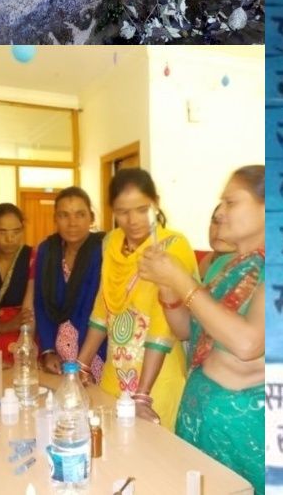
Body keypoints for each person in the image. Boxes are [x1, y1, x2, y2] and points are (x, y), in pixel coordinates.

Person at [139, 166, 265, 495]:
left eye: (230, 202)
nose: (220, 213)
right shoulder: (227, 265)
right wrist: (168, 287)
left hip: (245, 436)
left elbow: (248, 342)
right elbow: (188, 332)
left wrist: (182, 280)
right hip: (198, 421)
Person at [77, 169, 195, 427]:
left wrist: (142, 395)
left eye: (142, 209)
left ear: (157, 204)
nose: (133, 220)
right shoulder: (110, 242)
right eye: (122, 212)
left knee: (154, 457)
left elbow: (163, 325)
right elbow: (103, 304)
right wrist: (80, 365)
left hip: (156, 379)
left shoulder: (173, 245)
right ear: (112, 211)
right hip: (114, 370)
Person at [32, 188, 106, 379]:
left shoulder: (104, 250)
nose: (72, 223)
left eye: (80, 215)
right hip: (57, 357)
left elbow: (103, 309)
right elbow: (41, 303)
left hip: (96, 354)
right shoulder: (47, 251)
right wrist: (47, 350)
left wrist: (83, 361)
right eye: (64, 215)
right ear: (55, 219)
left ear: (91, 218)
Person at [0, 204, 33, 366]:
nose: (10, 239)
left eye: (16, 232)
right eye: (1, 232)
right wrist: (4, 326)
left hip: (23, 337)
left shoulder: (33, 257)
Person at [197, 204, 236, 279]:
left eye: (230, 224)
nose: (220, 231)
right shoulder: (206, 259)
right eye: (216, 222)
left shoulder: (252, 268)